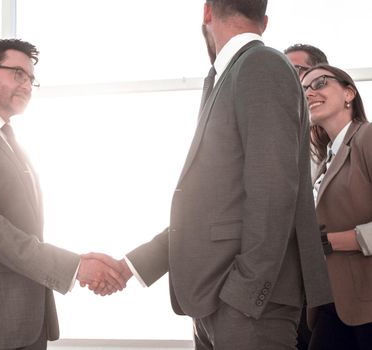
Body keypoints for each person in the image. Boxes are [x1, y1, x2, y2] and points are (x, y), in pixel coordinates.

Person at [87, 0, 333, 348]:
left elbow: (274, 192)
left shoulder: (262, 64)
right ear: (263, 20)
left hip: (247, 307)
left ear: (206, 12)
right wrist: (131, 266)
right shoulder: (227, 76)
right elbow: (208, 206)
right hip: (214, 302)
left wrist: (245, 296)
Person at [0, 38, 126, 350]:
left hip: (24, 320)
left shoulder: (11, 142)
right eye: (18, 73)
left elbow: (25, 229)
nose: (28, 85)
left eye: (31, 78)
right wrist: (75, 267)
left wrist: (77, 263)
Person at [301, 64, 372, 350]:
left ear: (349, 93)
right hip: (331, 301)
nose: (309, 93)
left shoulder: (367, 138)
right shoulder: (325, 159)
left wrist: (330, 242)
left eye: (320, 83)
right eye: (305, 88)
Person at [284, 43, 329, 350]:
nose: (289, 79)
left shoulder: (351, 139)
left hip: (335, 285)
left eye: (297, 71)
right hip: (290, 286)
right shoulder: (282, 139)